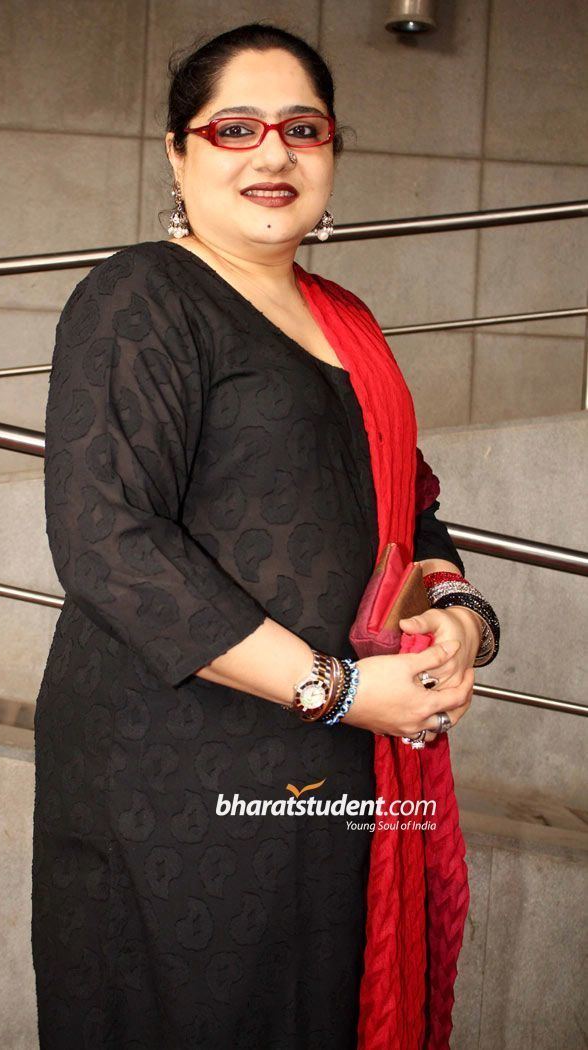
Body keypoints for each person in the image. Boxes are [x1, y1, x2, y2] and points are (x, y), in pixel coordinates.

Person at [31, 22, 499, 1050]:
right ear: (177, 152)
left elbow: (408, 510)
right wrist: (333, 688)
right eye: (234, 127)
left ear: (332, 149)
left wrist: (461, 613)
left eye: (302, 127)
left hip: (334, 758)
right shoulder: (142, 297)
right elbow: (108, 538)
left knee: (316, 1008)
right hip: (176, 772)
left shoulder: (347, 321)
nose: (272, 152)